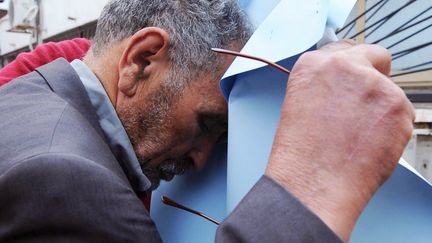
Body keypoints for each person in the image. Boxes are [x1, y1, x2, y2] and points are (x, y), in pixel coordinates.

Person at [0, 1, 414, 242]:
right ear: (142, 59)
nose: (202, 160)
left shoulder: (30, 92)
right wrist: (311, 189)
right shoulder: (69, 184)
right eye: (207, 123)